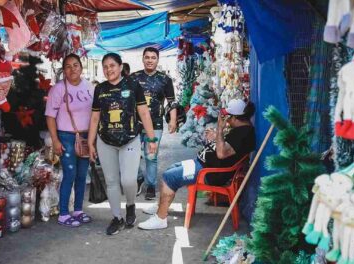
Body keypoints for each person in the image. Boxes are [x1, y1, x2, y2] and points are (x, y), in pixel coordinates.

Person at [138, 99, 256, 230]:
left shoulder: (243, 133)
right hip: (202, 164)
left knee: (169, 177)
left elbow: (222, 154)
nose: (226, 120)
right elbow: (227, 148)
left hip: (208, 172)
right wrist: (216, 136)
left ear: (235, 118)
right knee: (171, 169)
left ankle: (161, 218)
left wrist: (220, 130)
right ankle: (161, 205)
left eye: (228, 117)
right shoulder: (241, 129)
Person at [87, 53, 158, 235]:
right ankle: (117, 217)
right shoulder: (100, 89)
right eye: (105, 67)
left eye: (112, 65)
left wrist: (151, 139)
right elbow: (95, 118)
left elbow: (143, 113)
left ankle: (131, 205)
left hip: (130, 140)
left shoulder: (133, 85)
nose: (109, 69)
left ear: (120, 67)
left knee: (128, 180)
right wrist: (90, 142)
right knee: (111, 182)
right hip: (105, 141)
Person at [45, 54, 94, 227]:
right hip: (66, 137)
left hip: (86, 137)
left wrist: (93, 139)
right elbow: (50, 117)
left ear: (81, 67)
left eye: (75, 65)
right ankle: (64, 213)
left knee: (82, 175)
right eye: (68, 66)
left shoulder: (90, 87)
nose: (72, 69)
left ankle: (79, 210)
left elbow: (95, 115)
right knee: (70, 174)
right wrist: (55, 140)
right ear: (63, 70)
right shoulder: (58, 89)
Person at [130, 47, 177, 200]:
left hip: (156, 124)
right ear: (143, 59)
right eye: (147, 57)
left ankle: (151, 185)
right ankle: (137, 179)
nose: (150, 60)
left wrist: (173, 120)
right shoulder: (133, 78)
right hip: (135, 124)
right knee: (133, 155)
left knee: (151, 156)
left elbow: (171, 102)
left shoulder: (165, 79)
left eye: (153, 57)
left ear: (157, 60)